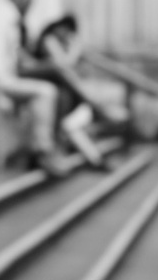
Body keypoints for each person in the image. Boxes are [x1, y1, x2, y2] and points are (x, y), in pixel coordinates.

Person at [0, 0, 69, 177]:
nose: (30, 7)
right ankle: (42, 149)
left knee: (53, 87)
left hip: (3, 77)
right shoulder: (4, 15)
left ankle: (41, 147)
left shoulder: (6, 16)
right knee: (47, 92)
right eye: (28, 2)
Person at [25, 14, 111, 169]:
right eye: (66, 31)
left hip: (61, 90)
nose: (66, 35)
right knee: (70, 122)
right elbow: (64, 64)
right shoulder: (49, 39)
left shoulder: (58, 42)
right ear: (60, 27)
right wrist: (75, 49)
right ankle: (95, 108)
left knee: (71, 124)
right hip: (49, 85)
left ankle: (96, 158)